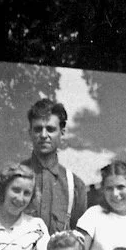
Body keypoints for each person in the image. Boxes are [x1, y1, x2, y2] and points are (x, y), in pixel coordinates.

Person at [22, 98, 88, 235]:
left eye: (50, 129)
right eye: (38, 129)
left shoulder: (75, 186)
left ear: (62, 132)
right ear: (30, 132)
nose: (43, 135)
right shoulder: (10, 178)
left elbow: (78, 239)